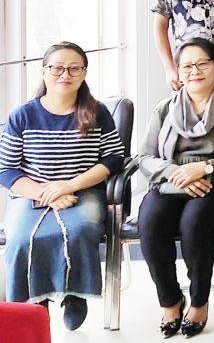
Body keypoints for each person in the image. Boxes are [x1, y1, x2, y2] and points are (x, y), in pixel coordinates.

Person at [135, 38, 214, 338]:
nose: (195, 71)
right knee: (150, 222)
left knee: (195, 221)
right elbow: (145, 157)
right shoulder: (165, 109)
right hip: (171, 181)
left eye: (202, 63)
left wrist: (205, 168)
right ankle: (170, 300)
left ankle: (199, 301)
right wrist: (178, 173)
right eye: (187, 66)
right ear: (179, 72)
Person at [0, 42, 126, 330]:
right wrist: (48, 194)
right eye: (57, 68)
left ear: (84, 73)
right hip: (31, 192)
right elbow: (6, 169)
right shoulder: (22, 115)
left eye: (73, 68)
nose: (65, 75)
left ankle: (75, 294)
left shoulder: (97, 112)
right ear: (44, 72)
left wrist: (68, 186)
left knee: (79, 230)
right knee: (21, 238)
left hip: (83, 190)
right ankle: (35, 301)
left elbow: (114, 158)